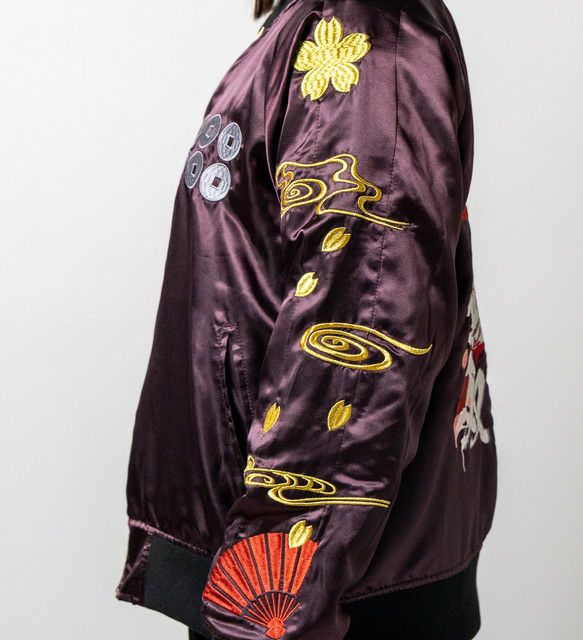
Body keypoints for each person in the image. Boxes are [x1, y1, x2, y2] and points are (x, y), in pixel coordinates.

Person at [116, 0, 498, 638]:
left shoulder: (370, 35)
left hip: (319, 597)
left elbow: (361, 337)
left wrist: (266, 608)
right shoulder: (317, 23)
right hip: (281, 562)